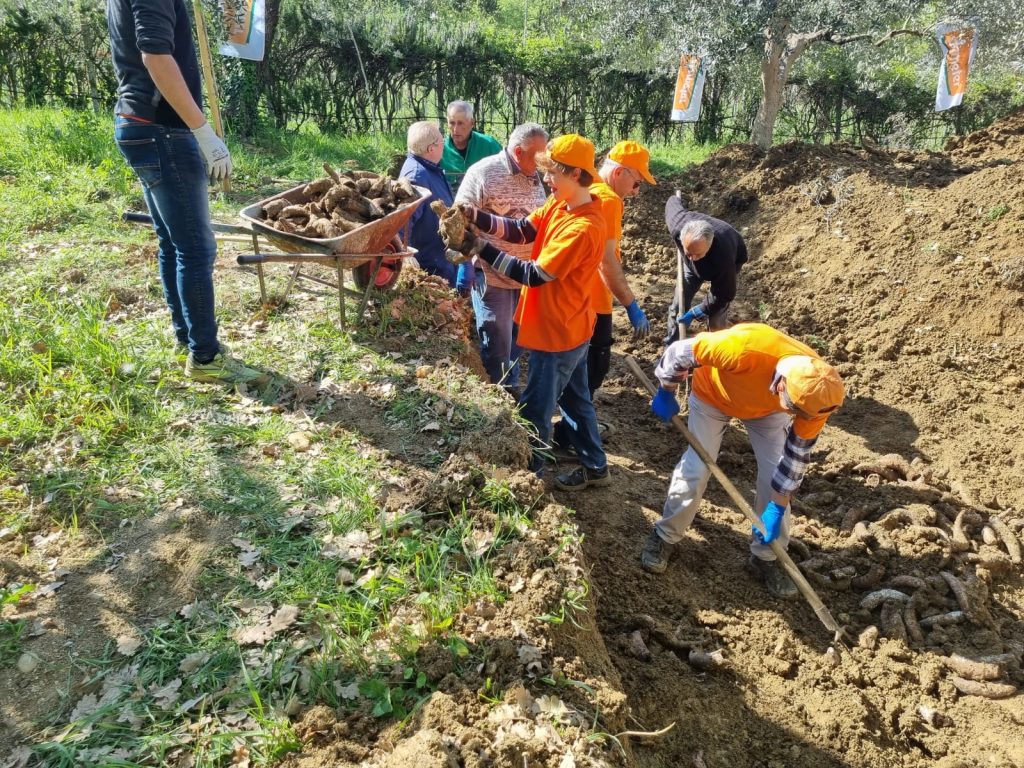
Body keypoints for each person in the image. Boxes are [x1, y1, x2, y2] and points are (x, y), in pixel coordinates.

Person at [107, 0, 265, 385]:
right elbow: (156, 56)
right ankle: (205, 358)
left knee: (173, 241)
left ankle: (190, 338)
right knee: (196, 248)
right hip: (163, 130)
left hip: (139, 123)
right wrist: (201, 130)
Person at [447, 135, 608, 492]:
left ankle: (528, 479)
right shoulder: (560, 204)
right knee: (576, 400)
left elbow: (531, 275)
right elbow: (522, 230)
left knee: (536, 410)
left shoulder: (584, 228)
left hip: (558, 334)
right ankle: (596, 466)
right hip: (572, 326)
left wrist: (479, 247)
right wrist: (475, 216)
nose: (545, 179)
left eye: (553, 172)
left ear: (576, 174)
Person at [642, 323, 845, 598]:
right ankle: (665, 536)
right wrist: (667, 390)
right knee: (697, 467)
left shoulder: (819, 396)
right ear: (782, 382)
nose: (801, 418)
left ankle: (766, 557)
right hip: (713, 396)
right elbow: (679, 352)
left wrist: (777, 505)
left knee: (775, 475)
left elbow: (795, 457)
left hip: (766, 411)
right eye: (794, 409)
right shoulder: (742, 348)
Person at [553, 140, 654, 450]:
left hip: (570, 299)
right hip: (593, 303)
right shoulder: (608, 200)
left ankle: (573, 428)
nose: (637, 190)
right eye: (637, 182)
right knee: (590, 372)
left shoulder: (585, 188)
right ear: (621, 172)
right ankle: (569, 437)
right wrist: (630, 304)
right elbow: (606, 261)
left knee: (574, 371)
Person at [454, 123, 549, 393]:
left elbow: (530, 226)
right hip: (491, 274)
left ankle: (510, 385)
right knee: (497, 343)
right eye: (538, 156)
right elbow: (458, 217)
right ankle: (498, 394)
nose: (543, 163)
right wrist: (466, 262)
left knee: (517, 341)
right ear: (519, 151)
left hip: (524, 275)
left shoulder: (535, 177)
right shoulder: (483, 172)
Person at [663, 194, 748, 345]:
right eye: (688, 252)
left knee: (716, 313)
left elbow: (725, 293)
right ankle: (672, 345)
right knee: (678, 305)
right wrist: (675, 197)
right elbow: (672, 203)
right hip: (691, 267)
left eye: (698, 254)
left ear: (709, 245)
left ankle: (716, 349)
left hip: (726, 260)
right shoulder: (677, 225)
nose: (693, 257)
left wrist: (701, 309)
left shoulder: (723, 256)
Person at [399, 120, 471, 288]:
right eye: (441, 142)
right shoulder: (416, 177)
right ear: (431, 149)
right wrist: (405, 257)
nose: (444, 145)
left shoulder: (428, 168)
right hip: (430, 267)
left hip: (440, 262)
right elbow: (402, 222)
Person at [441, 100, 503, 193]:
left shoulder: (490, 146)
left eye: (460, 123)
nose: (455, 129)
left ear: (472, 123)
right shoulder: (439, 150)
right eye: (452, 123)